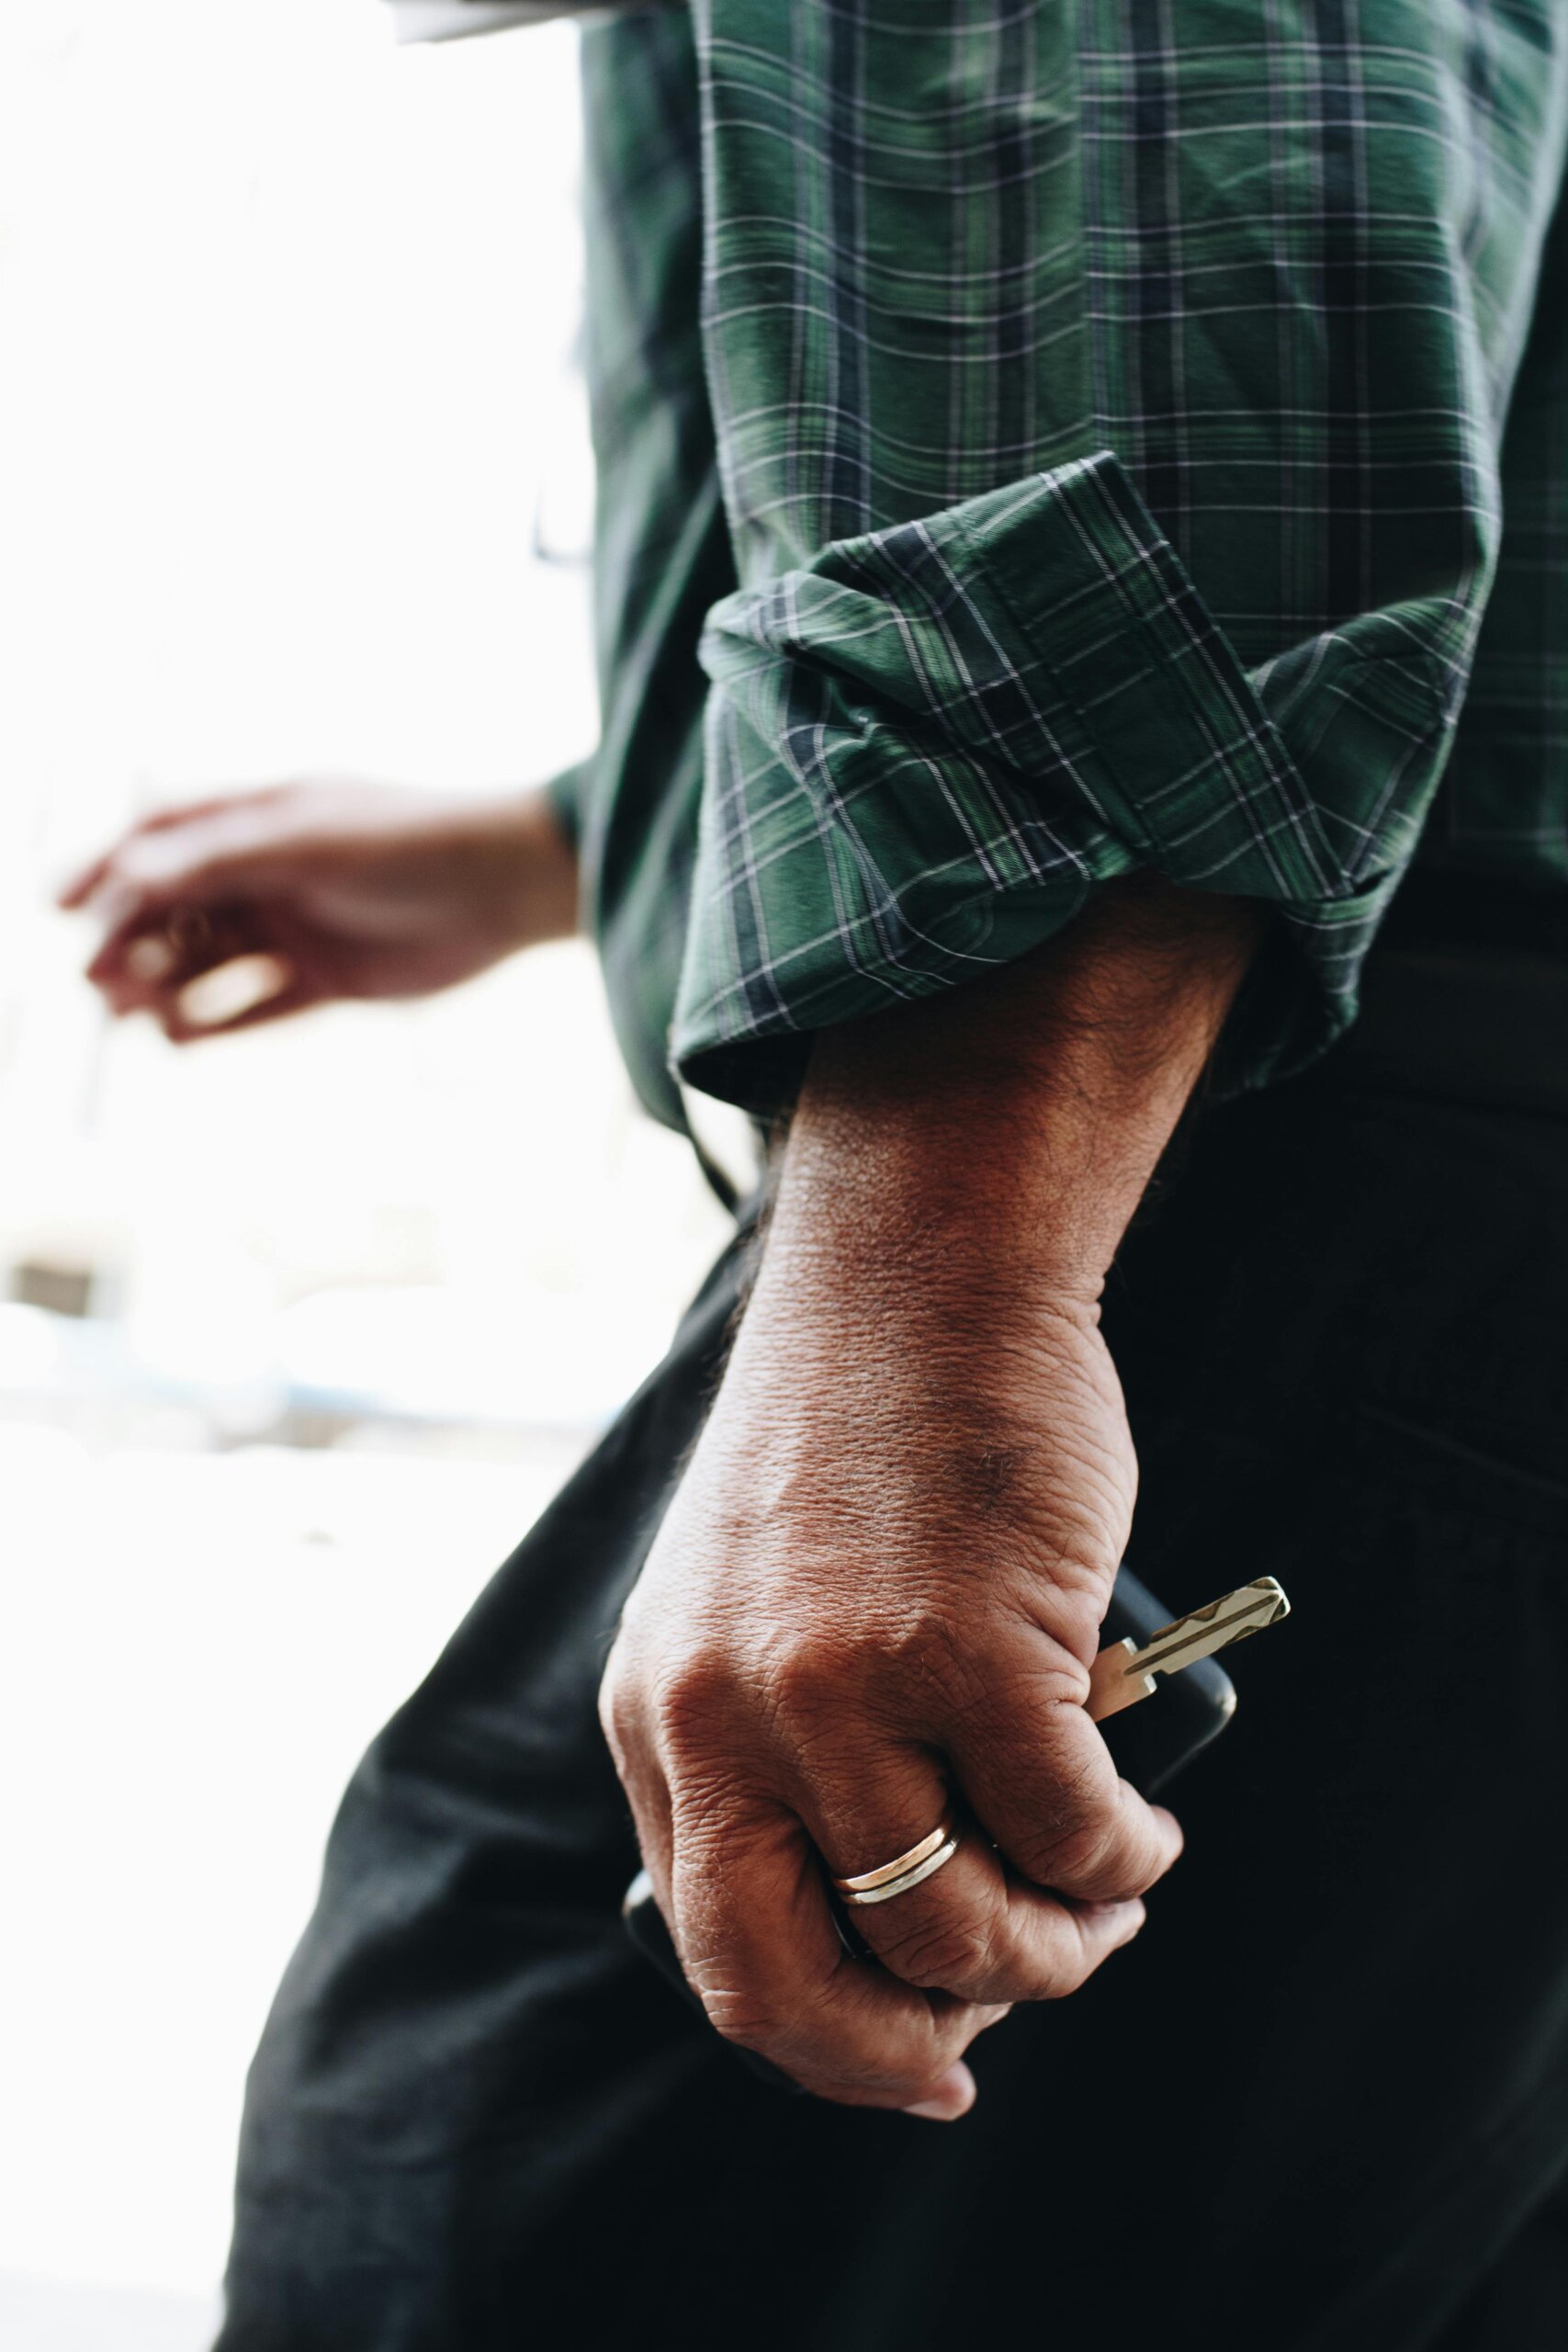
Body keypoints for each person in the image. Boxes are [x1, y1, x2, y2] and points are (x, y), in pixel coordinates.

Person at [63, 4, 1568, 2347]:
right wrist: (590, 838)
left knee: (505, 2219)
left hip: (1298, 1180)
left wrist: (938, 1267)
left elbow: (1172, 153)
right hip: (1428, 1207)